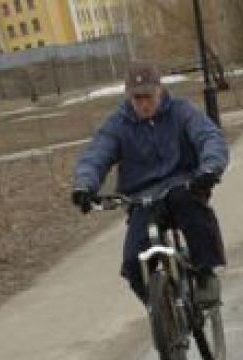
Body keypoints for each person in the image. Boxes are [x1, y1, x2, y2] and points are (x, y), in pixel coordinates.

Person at [70, 62, 230, 307]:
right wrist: (84, 186)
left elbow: (209, 136)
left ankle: (205, 273)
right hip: (142, 197)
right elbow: (96, 155)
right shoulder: (118, 124)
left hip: (182, 185)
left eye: (148, 96)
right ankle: (162, 311)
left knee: (192, 210)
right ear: (128, 97)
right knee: (133, 262)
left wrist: (209, 168)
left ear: (160, 91)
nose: (144, 104)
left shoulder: (181, 111)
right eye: (137, 98)